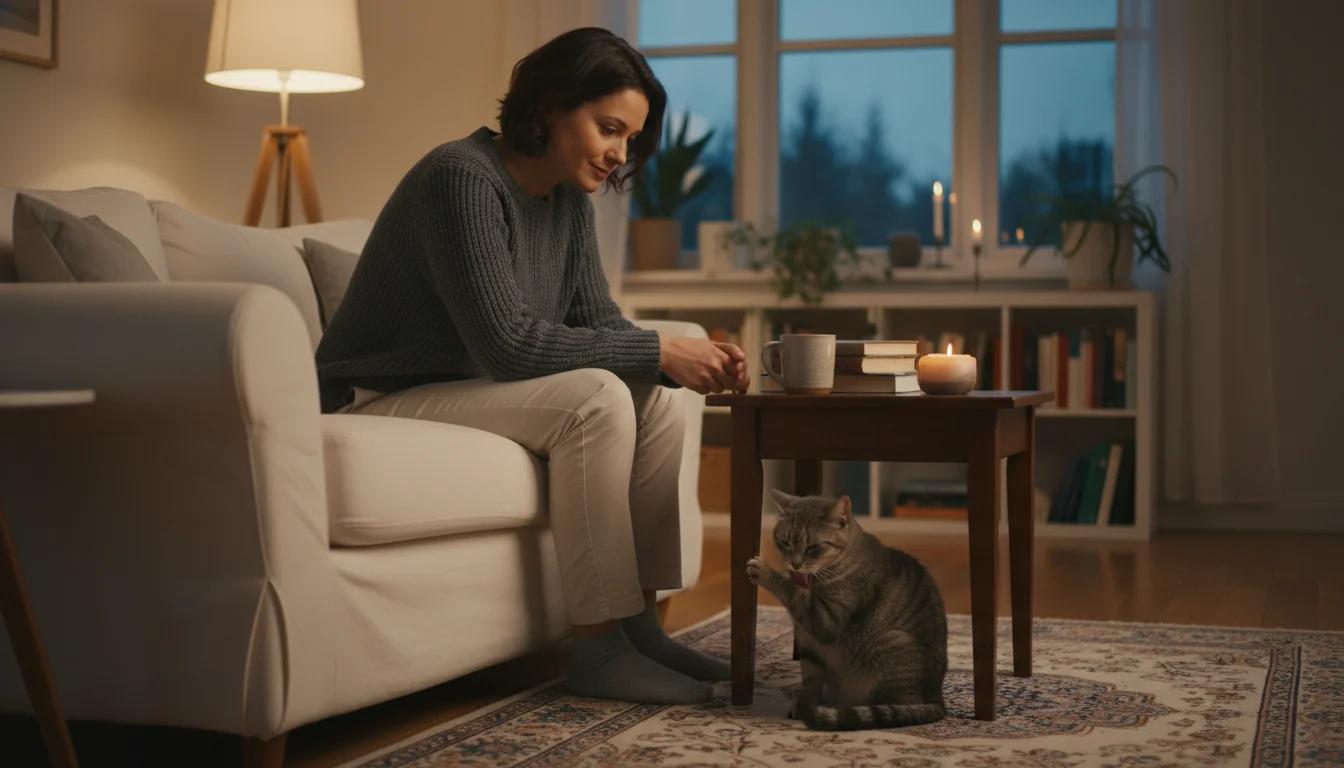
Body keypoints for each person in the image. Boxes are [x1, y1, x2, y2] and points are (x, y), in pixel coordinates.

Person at [314, 27, 748, 705]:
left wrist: (685, 359)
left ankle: (641, 623)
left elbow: (599, 324)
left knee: (657, 394)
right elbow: (510, 346)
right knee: (601, 395)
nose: (618, 154)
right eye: (609, 128)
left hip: (470, 389)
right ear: (549, 105)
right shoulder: (459, 179)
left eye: (629, 140)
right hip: (383, 393)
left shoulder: (568, 201)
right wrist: (660, 349)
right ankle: (599, 650)